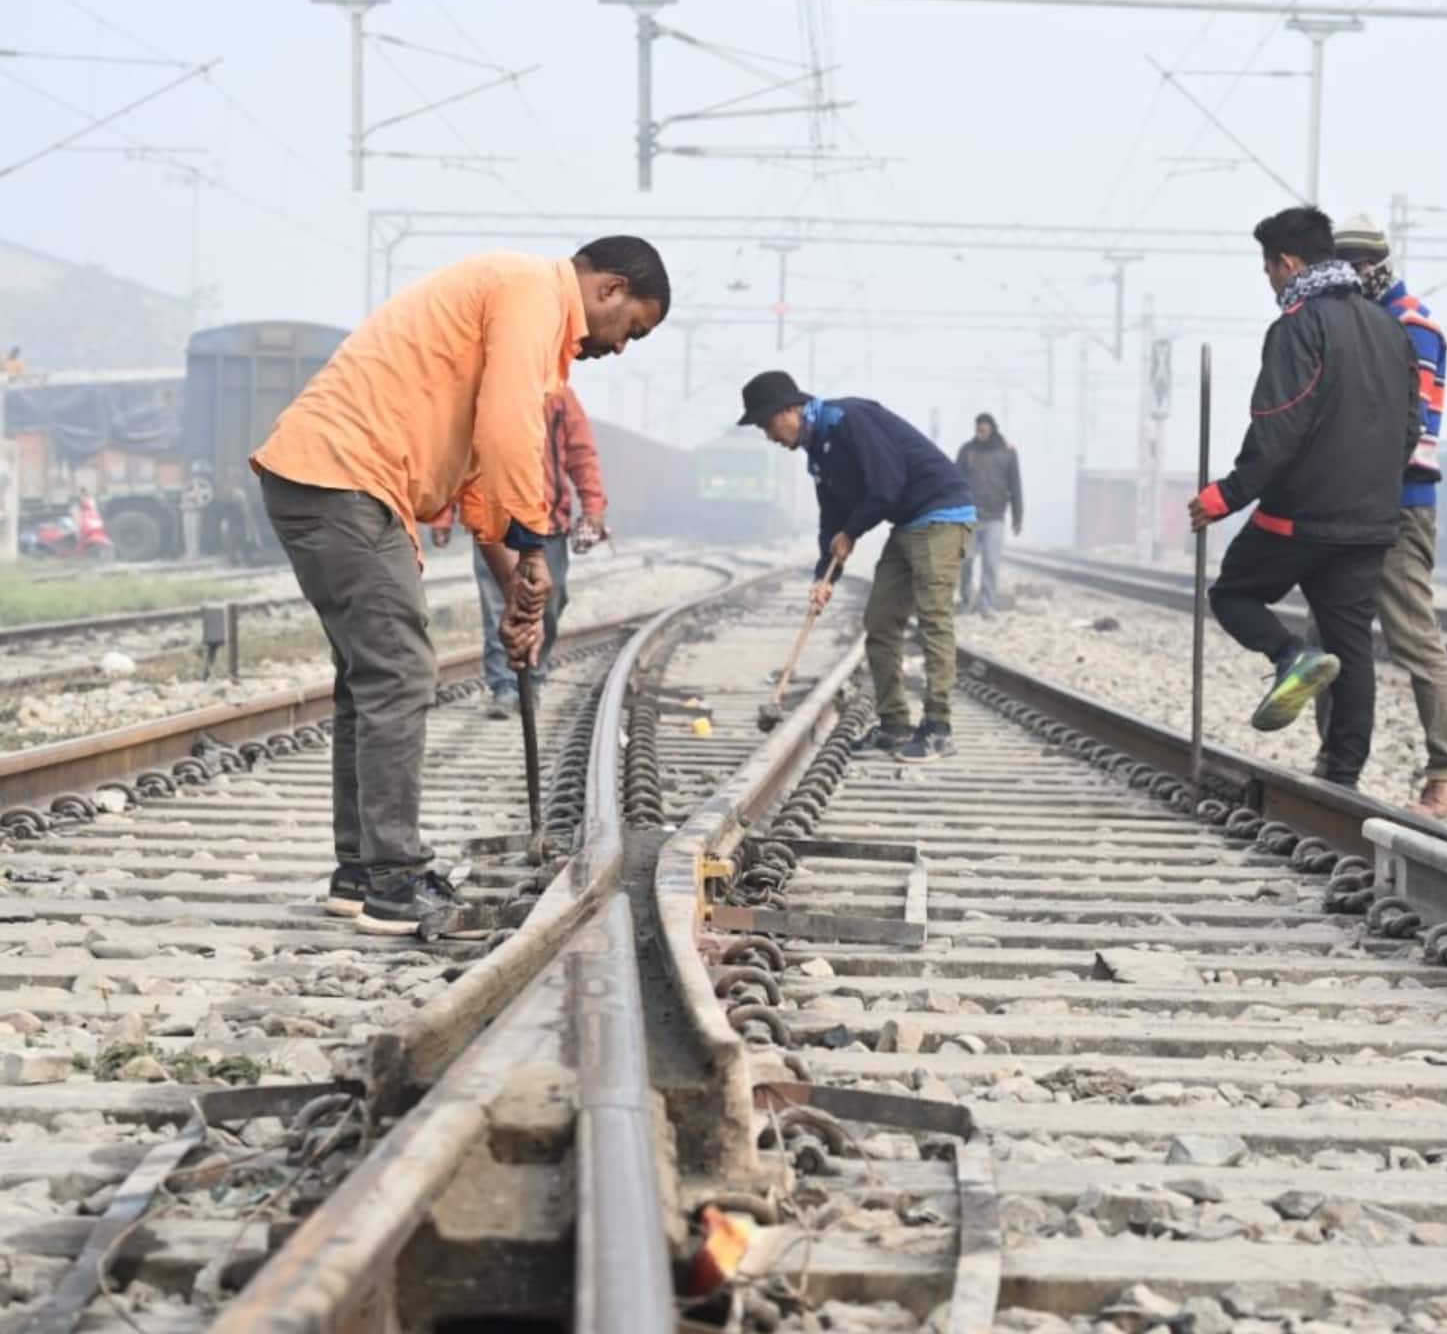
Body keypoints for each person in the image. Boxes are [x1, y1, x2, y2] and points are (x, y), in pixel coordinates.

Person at [253, 237, 669, 935]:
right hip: (346, 478)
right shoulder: (534, 294)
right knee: (399, 672)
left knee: (370, 678)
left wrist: (514, 581)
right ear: (609, 289)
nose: (623, 347)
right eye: (633, 328)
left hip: (325, 477)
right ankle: (394, 880)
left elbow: (478, 475)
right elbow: (511, 432)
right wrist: (535, 536)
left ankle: (361, 873)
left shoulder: (514, 301)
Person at [1187, 206, 1420, 790]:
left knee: (1234, 592)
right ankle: (1342, 778)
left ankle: (1290, 657)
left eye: (1269, 271)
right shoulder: (1389, 328)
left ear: (1287, 264)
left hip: (1300, 518)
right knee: (1352, 646)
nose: (1270, 282)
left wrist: (1226, 496)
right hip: (1370, 522)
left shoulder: (1298, 325)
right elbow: (1411, 428)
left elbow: (1278, 425)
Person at [1316, 212, 1447, 817]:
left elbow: (1420, 434)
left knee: (1413, 636)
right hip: (1354, 504)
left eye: (1356, 265)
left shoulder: (1412, 326)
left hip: (1399, 507)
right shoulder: (1365, 322)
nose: (1349, 277)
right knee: (1330, 634)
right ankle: (1334, 761)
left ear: (1375, 264)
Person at [740, 370, 975, 762]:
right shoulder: (817, 455)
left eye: (768, 424)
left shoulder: (849, 420)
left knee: (933, 618)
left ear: (791, 409)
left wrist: (850, 533)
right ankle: (895, 724)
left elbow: (887, 485)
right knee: (880, 620)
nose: (770, 436)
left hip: (942, 513)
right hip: (908, 521)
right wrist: (823, 577)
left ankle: (938, 728)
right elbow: (831, 520)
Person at [433, 382, 609, 718]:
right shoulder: (482, 391)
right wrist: (443, 515)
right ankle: (504, 686)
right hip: (493, 520)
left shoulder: (559, 395)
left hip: (547, 524)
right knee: (498, 603)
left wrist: (593, 507)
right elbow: (458, 456)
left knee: (549, 604)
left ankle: (533, 678)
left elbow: (580, 452)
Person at [955, 412, 1023, 616]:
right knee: (965, 561)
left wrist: (1018, 517)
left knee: (991, 564)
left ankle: (986, 604)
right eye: (978, 429)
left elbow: (1015, 485)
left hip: (995, 517)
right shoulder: (967, 451)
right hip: (969, 517)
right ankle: (966, 600)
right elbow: (954, 482)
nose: (981, 432)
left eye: (984, 429)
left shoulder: (1007, 452)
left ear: (992, 428)